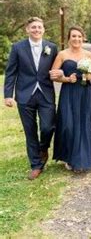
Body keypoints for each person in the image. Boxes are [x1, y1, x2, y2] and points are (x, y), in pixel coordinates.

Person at [4, 17, 59, 180]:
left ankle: (43, 148)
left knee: (48, 126)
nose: (36, 30)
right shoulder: (17, 47)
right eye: (33, 27)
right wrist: (8, 95)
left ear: (43, 29)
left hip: (46, 93)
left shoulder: (52, 47)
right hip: (24, 95)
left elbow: (57, 69)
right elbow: (11, 72)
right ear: (27, 29)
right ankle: (36, 165)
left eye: (39, 27)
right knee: (30, 131)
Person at [51, 26, 91, 172]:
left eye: (79, 36)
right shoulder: (62, 55)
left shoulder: (89, 55)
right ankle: (68, 156)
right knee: (68, 124)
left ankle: (82, 159)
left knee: (85, 125)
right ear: (69, 38)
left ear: (83, 38)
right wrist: (66, 79)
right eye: (73, 36)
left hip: (86, 93)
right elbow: (53, 75)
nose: (76, 39)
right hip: (69, 92)